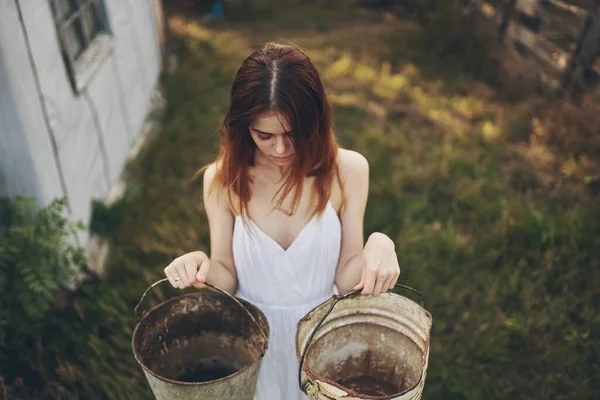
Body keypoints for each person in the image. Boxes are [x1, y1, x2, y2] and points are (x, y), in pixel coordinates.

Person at [163, 42, 401, 399]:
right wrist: (201, 266)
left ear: (315, 121)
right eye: (265, 136)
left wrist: (381, 243)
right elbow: (226, 275)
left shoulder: (348, 171)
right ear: (243, 128)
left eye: (292, 134)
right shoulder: (222, 179)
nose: (280, 150)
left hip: (323, 338)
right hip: (254, 342)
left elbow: (347, 274)